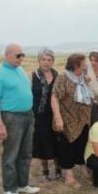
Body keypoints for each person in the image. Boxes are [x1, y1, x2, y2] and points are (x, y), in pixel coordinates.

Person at [0, 44, 40, 194]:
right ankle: (10, 188)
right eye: (18, 55)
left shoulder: (19, 70)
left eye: (23, 55)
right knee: (11, 153)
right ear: (8, 55)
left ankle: (22, 184)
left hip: (27, 115)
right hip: (11, 117)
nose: (22, 58)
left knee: (26, 152)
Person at [51, 53, 93, 188]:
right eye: (84, 63)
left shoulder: (81, 77)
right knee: (67, 146)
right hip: (67, 119)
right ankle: (69, 176)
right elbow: (55, 97)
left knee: (82, 144)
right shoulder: (63, 77)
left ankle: (83, 169)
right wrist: (57, 117)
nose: (86, 65)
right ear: (75, 65)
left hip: (83, 119)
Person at [31, 48, 60, 181]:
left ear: (53, 61)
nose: (46, 62)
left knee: (56, 140)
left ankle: (58, 169)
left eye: (49, 60)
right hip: (39, 115)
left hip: (55, 114)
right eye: (43, 59)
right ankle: (45, 171)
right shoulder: (33, 75)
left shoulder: (57, 75)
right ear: (39, 60)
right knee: (42, 141)